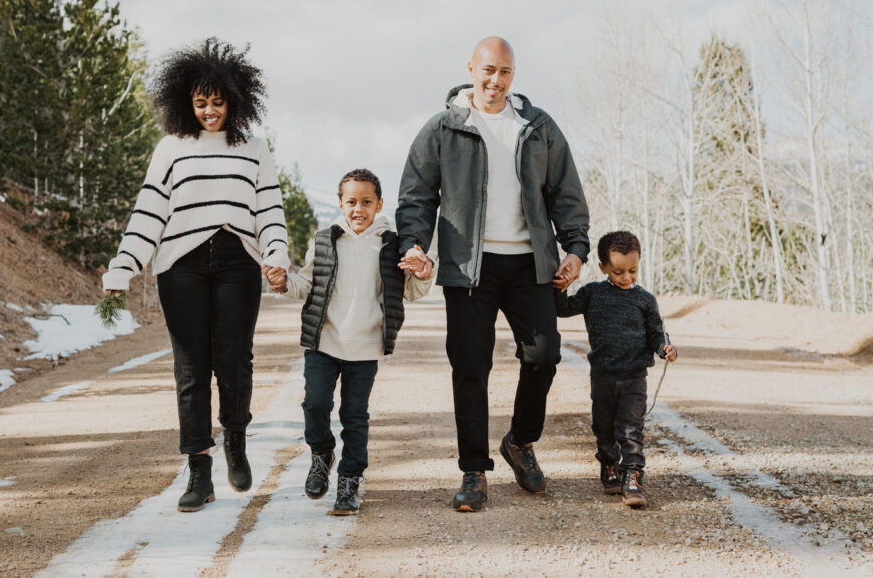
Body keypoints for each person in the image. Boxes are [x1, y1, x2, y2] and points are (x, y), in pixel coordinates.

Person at [396, 36, 590, 512]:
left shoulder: (538, 126)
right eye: (488, 70)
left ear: (513, 75)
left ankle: (520, 441)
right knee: (470, 366)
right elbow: (417, 195)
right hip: (469, 268)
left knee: (544, 355)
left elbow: (565, 191)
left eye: (504, 72)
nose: (495, 80)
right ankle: (473, 470)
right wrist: (414, 243)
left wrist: (576, 249)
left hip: (531, 264)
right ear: (471, 70)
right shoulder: (444, 128)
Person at [102, 37, 290, 512]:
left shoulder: (254, 148)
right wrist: (123, 266)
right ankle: (199, 470)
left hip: (237, 261)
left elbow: (270, 209)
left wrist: (276, 254)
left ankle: (236, 440)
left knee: (234, 359)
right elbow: (149, 211)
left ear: (236, 99)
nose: (209, 111)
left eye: (218, 102)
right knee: (191, 369)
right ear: (185, 101)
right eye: (200, 102)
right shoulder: (171, 148)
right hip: (180, 264)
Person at [264, 169, 435, 515]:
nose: (359, 209)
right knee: (315, 405)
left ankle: (349, 480)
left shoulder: (392, 245)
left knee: (354, 416)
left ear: (379, 204)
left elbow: (411, 292)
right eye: (352, 202)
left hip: (365, 346)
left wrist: (423, 272)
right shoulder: (325, 239)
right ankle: (321, 454)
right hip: (324, 341)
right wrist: (283, 283)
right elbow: (307, 284)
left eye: (367, 202)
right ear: (341, 204)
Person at [553, 230, 676, 508]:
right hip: (603, 377)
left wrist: (665, 348)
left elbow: (656, 333)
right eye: (618, 271)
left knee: (631, 429)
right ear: (603, 268)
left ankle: (632, 476)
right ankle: (609, 465)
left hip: (634, 377)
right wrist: (559, 286)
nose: (626, 277)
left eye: (633, 270)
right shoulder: (592, 293)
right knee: (604, 428)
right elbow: (564, 309)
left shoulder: (645, 300)